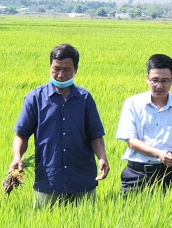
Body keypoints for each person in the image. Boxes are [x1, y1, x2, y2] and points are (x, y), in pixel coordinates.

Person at [8, 43, 109, 208]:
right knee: (45, 227)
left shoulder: (84, 99)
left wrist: (102, 157)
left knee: (86, 227)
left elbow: (95, 134)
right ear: (50, 67)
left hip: (82, 177)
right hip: (49, 178)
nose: (61, 75)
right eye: (56, 69)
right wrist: (17, 156)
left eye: (67, 70)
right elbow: (22, 134)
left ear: (76, 69)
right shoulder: (35, 98)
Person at [116, 54, 172, 193]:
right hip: (136, 175)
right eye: (155, 80)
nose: (159, 86)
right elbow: (131, 141)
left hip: (167, 176)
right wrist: (159, 154)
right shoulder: (133, 104)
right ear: (147, 78)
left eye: (165, 80)